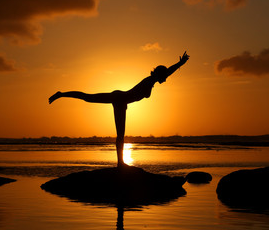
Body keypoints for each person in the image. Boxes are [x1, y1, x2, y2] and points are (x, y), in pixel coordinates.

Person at [49, 51, 190, 168]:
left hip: (121, 100)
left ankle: (61, 94)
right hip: (120, 99)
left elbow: (167, 72)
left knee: (89, 99)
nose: (165, 80)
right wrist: (180, 64)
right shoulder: (149, 81)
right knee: (117, 131)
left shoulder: (151, 81)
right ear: (159, 75)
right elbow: (167, 72)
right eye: (164, 77)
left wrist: (181, 64)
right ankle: (120, 163)